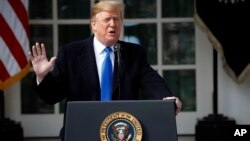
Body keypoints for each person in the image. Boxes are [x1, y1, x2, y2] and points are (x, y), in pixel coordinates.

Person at [29, 0, 182, 140]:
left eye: (117, 19)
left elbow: (151, 80)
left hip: (121, 132)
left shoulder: (134, 53)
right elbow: (52, 96)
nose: (113, 24)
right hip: (82, 132)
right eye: (107, 19)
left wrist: (168, 98)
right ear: (93, 24)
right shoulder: (71, 53)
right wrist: (42, 76)